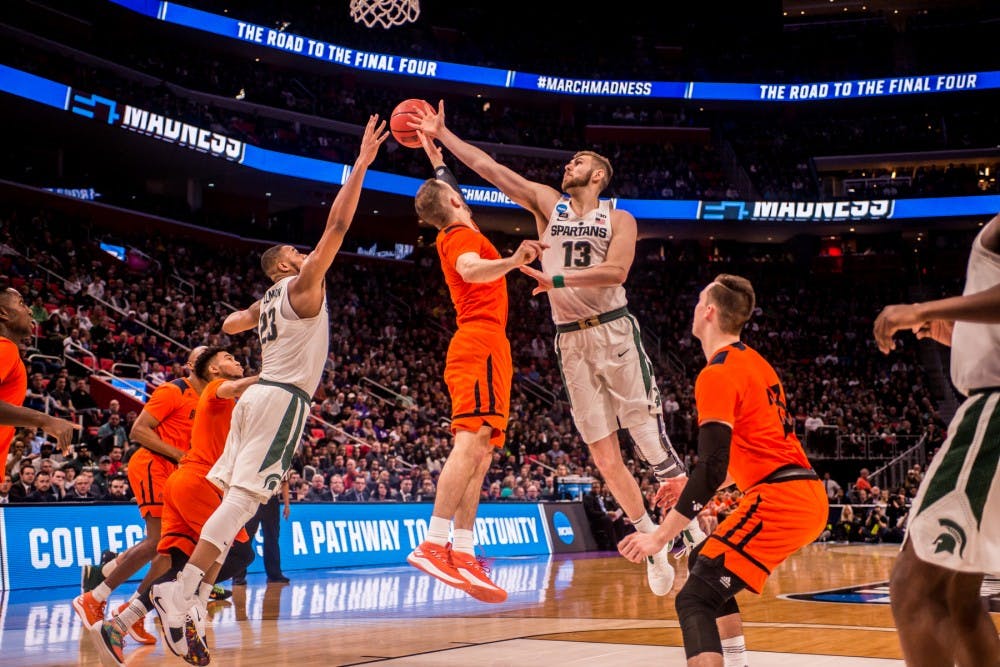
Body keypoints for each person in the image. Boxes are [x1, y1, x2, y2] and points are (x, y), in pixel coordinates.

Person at [410, 102, 702, 597]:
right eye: (570, 160)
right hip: (570, 339)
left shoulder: (621, 219)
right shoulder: (548, 203)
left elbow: (617, 273)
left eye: (580, 161)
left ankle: (688, 532)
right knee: (605, 457)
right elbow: (490, 169)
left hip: (614, 330)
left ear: (600, 175)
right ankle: (647, 535)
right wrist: (444, 134)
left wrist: (557, 277)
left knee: (648, 441)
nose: (570, 164)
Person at [149, 115, 388, 658]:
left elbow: (232, 323)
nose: (310, 258)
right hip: (281, 400)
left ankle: (195, 596)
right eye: (298, 256)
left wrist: (250, 314)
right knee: (244, 502)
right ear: (286, 263)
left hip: (256, 398)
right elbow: (337, 228)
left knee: (236, 501)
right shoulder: (302, 287)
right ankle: (181, 590)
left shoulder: (267, 304)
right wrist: (363, 164)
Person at [619, 275, 828, 667]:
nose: (695, 308)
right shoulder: (756, 363)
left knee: (693, 598)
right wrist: (685, 483)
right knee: (705, 564)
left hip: (780, 500)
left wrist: (660, 537)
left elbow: (712, 468)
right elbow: (751, 452)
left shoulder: (716, 373)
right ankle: (737, 662)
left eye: (699, 301)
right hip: (800, 492)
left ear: (709, 312)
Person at [405, 130, 545, 604]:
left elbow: (442, 182)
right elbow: (470, 270)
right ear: (451, 202)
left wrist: (434, 151)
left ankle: (462, 551)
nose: (461, 194)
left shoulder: (451, 218)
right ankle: (432, 542)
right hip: (479, 340)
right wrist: (513, 259)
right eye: (455, 193)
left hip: (488, 343)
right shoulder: (461, 234)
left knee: (482, 451)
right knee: (470, 444)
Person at [873, 213, 1000, 667]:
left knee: (915, 588)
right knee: (957, 598)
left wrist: (925, 309)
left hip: (995, 411)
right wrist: (964, 335)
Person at [91, 347, 258, 665]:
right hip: (195, 482)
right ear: (210, 370)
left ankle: (119, 625)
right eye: (227, 358)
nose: (235, 360)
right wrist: (279, 376)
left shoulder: (219, 401)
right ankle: (185, 602)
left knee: (181, 560)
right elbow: (235, 386)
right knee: (235, 552)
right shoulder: (215, 389)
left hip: (186, 483)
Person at [73, 344, 209, 643]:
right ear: (189, 363)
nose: (209, 361)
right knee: (160, 539)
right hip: (153, 463)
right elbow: (138, 430)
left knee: (172, 550)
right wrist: (178, 454)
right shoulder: (173, 390)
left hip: (177, 473)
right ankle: (95, 597)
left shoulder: (210, 401)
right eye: (202, 356)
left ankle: (131, 610)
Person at [0, 288, 78, 480]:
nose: (29, 310)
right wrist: (46, 420)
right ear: (2, 313)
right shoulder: (5, 347)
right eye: (21, 303)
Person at [232, 478, 291, 586]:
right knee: (246, 537)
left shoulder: (284, 462)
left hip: (272, 500)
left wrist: (287, 505)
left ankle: (274, 575)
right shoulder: (255, 461)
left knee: (272, 538)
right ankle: (237, 575)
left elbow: (285, 483)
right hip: (254, 498)